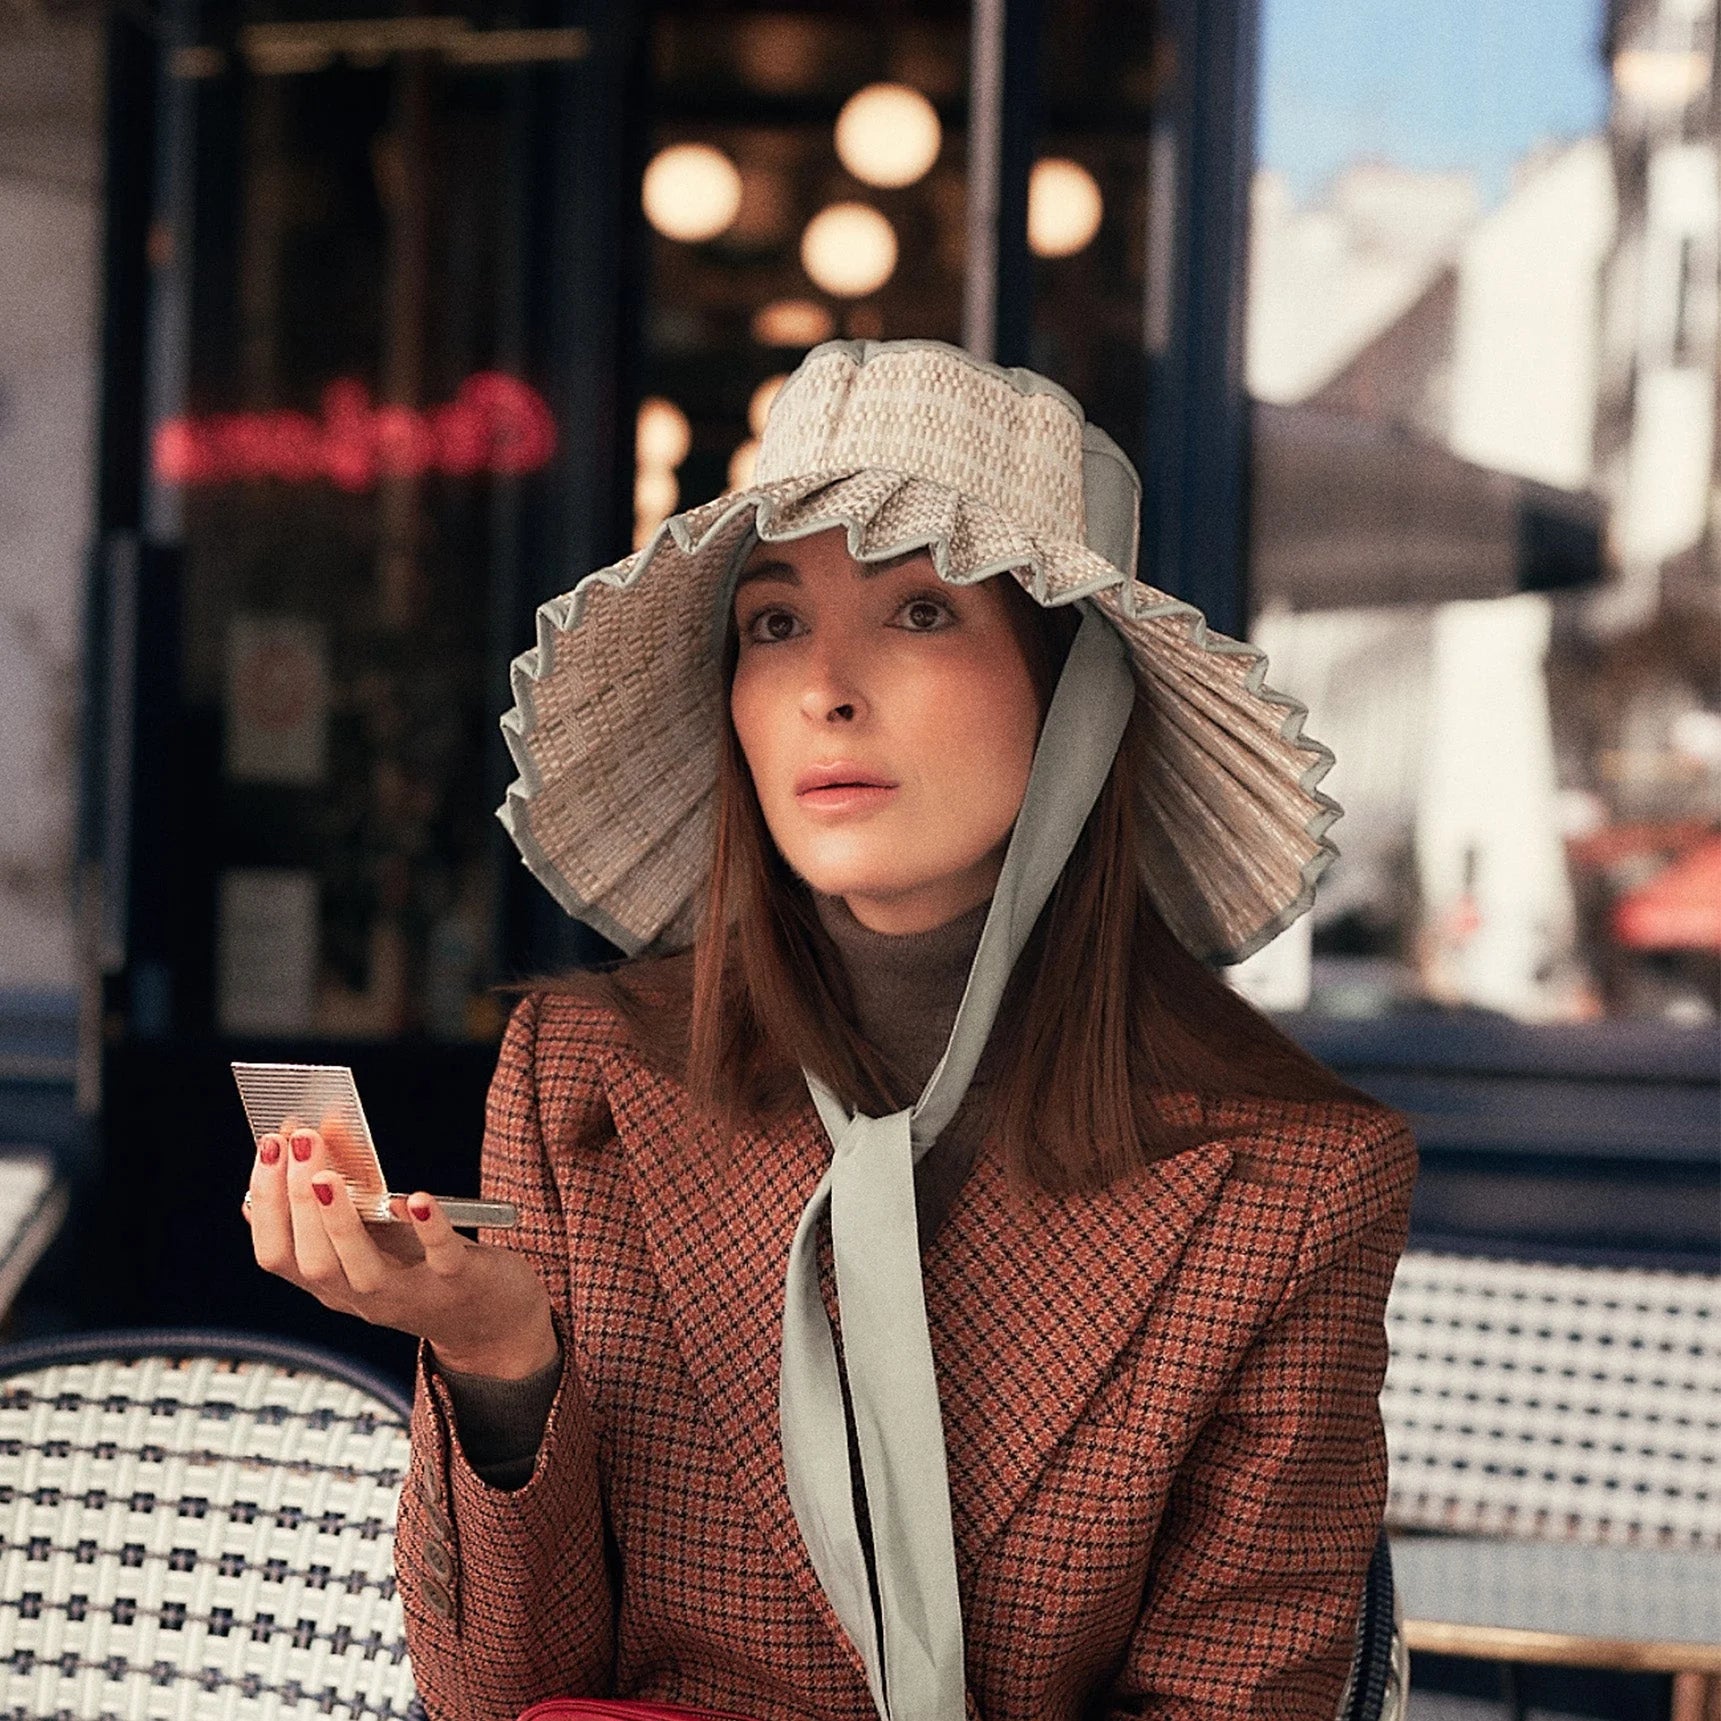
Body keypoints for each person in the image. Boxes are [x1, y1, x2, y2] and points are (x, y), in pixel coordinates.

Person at [245, 338, 1417, 1721]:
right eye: (773, 622)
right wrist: (500, 1361)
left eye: (922, 613)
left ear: (1078, 700)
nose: (823, 687)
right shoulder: (584, 1078)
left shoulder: (1291, 1181)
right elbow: (501, 1694)